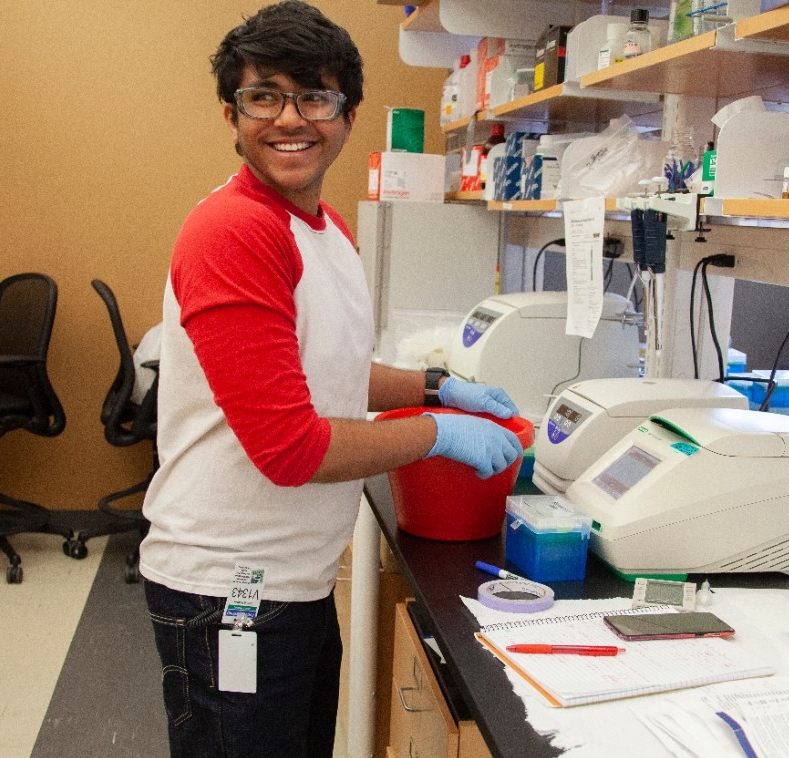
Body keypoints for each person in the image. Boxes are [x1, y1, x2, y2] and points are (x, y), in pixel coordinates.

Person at [139, 3, 522, 756]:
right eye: (263, 96)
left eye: (314, 96)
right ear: (231, 112)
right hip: (231, 590)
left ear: (347, 114)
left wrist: (437, 388)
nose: (291, 119)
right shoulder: (234, 232)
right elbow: (289, 448)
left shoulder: (319, 227)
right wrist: (436, 434)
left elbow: (327, 371)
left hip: (291, 581)